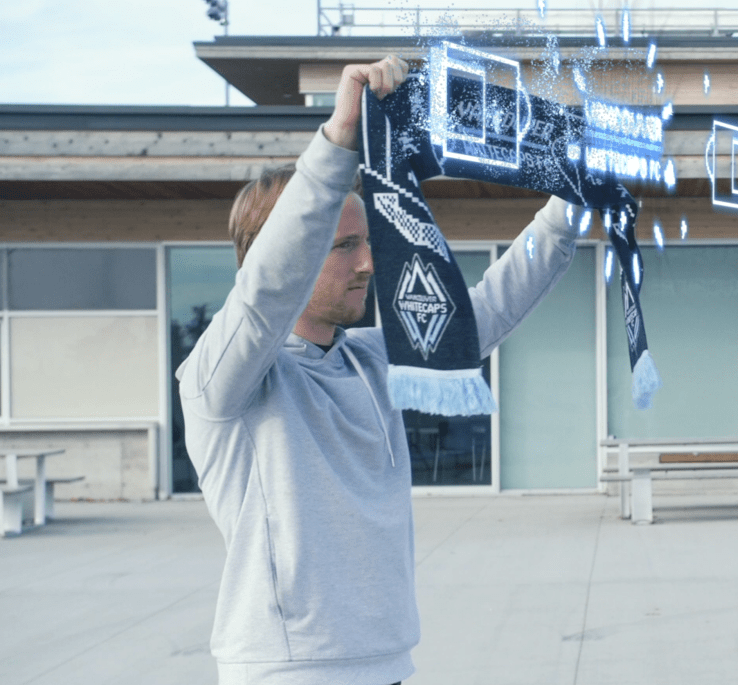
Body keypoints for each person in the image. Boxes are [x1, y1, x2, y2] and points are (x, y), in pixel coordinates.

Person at [176, 56, 590, 685]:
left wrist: (569, 203)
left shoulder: (373, 357)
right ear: (289, 251)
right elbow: (264, 293)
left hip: (385, 659)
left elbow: (492, 306)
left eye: (367, 242)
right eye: (344, 246)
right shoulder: (222, 379)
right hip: (289, 670)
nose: (369, 263)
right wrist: (338, 143)